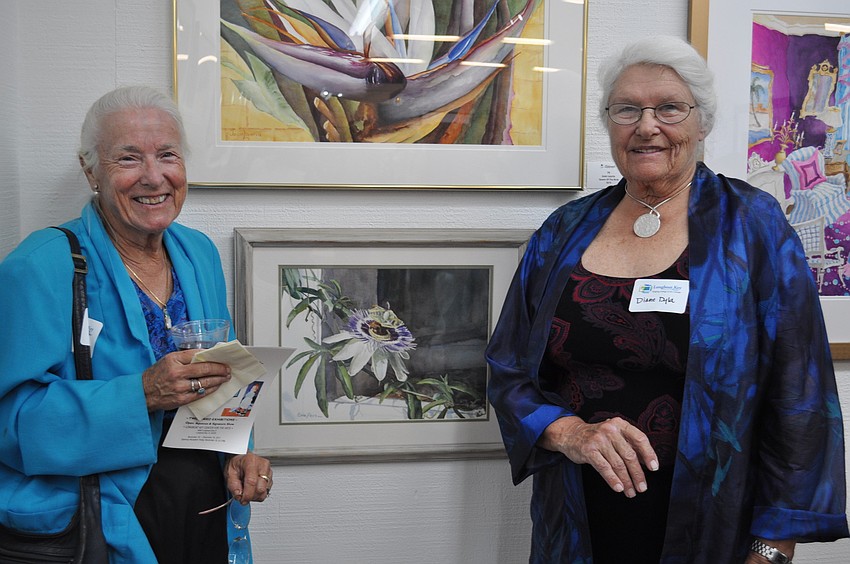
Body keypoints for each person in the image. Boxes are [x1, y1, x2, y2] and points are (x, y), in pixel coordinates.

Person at [486, 36, 849, 563]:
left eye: (670, 108)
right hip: (576, 523)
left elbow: (801, 392)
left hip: (713, 526)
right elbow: (508, 368)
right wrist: (568, 433)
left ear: (702, 122)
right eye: (627, 109)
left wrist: (772, 548)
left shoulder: (751, 226)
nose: (647, 126)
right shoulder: (562, 232)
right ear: (609, 122)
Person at [0, 86, 273, 563]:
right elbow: (12, 422)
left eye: (167, 155)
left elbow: (222, 371)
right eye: (128, 159)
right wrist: (142, 393)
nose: (154, 176)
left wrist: (240, 450)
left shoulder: (198, 252)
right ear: (90, 171)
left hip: (204, 504)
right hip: (103, 519)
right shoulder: (39, 266)